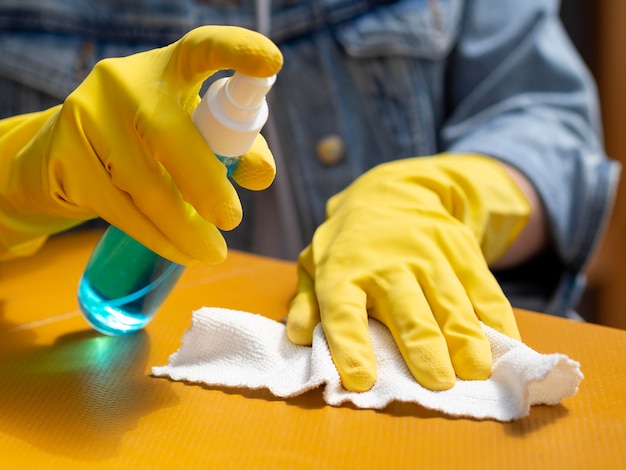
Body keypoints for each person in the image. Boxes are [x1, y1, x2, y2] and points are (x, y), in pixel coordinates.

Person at [0, 0, 619, 392]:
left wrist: (441, 194)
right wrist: (19, 171)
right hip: (107, 389)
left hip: (403, 346)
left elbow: (540, 114)